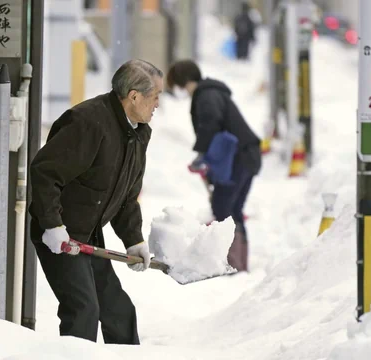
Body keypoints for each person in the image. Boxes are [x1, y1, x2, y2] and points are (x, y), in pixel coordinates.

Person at [28, 59, 164, 344]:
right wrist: (52, 225)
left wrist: (134, 240)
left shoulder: (138, 133)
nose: (157, 104)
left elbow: (126, 195)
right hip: (60, 233)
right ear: (134, 96)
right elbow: (45, 172)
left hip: (88, 234)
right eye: (155, 96)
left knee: (118, 311)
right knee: (83, 309)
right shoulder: (88, 122)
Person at [166, 60, 261, 272]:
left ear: (183, 81)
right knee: (231, 208)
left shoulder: (206, 95)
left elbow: (210, 122)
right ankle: (238, 263)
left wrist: (201, 154)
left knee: (223, 207)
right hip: (245, 156)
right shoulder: (209, 93)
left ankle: (233, 263)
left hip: (240, 157)